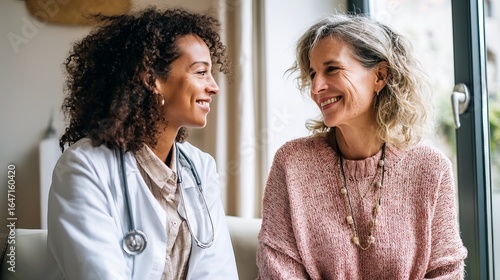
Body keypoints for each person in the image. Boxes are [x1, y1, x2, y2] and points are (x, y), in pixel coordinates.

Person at [256, 13, 467, 279]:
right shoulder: (292, 163)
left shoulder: (431, 168)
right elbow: (277, 269)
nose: (316, 87)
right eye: (313, 74)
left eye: (332, 69)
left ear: (379, 76)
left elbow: (446, 271)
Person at [47, 7, 238, 280]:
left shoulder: (201, 168)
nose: (213, 86)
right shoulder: (84, 167)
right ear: (153, 80)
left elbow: (217, 272)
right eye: (200, 72)